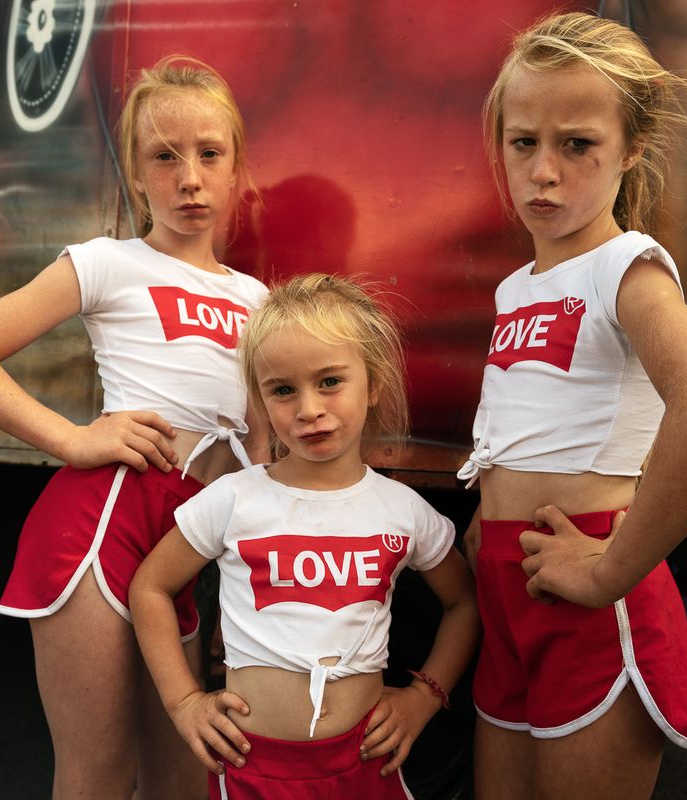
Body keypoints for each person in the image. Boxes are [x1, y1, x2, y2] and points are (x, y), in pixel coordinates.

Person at [0, 56, 269, 800]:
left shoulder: (259, 299)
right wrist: (73, 439)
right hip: (98, 533)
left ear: (237, 167)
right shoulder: (108, 262)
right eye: (164, 156)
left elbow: (264, 451)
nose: (189, 177)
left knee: (185, 778)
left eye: (210, 154)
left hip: (187, 547)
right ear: (136, 175)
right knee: (99, 777)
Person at [457, 12, 687, 800]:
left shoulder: (626, 268)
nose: (544, 171)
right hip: (510, 586)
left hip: (588, 593)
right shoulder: (515, 286)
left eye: (578, 144)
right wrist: (481, 523)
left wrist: (610, 573)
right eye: (523, 142)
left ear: (633, 149)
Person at [130, 274, 480, 799]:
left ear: (374, 383)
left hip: (368, 768)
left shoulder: (403, 510)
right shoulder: (234, 498)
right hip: (252, 767)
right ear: (261, 400)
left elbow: (463, 603)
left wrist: (423, 698)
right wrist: (184, 701)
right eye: (284, 390)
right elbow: (149, 588)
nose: (309, 408)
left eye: (331, 382)